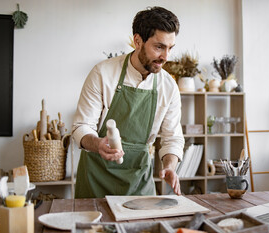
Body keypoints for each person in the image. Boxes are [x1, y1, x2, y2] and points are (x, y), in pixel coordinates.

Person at [72, 6, 185, 198]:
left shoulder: (169, 87)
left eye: (170, 48)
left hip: (138, 181)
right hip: (95, 178)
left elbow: (172, 138)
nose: (165, 57)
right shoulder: (103, 73)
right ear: (138, 41)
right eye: (159, 47)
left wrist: (170, 166)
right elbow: (81, 127)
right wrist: (98, 144)